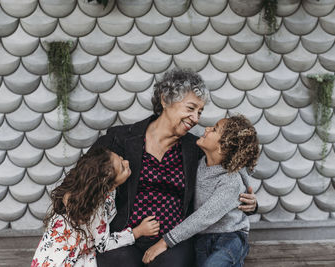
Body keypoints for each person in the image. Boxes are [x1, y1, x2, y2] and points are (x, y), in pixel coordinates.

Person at [89, 68, 258, 267]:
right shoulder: (121, 138)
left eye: (200, 112)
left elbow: (233, 166)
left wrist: (251, 204)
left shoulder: (197, 149)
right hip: (125, 236)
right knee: (117, 262)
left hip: (174, 242)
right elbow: (82, 178)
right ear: (165, 100)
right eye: (191, 108)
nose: (196, 119)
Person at [142, 115, 260, 267]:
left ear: (223, 146)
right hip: (202, 237)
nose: (207, 128)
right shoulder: (198, 165)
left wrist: (165, 242)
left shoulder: (231, 181)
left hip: (230, 236)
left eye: (214, 129)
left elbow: (204, 216)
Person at [31, 147, 160, 267]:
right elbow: (104, 244)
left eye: (121, 158)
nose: (126, 162)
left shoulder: (89, 189)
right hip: (64, 255)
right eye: (122, 167)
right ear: (108, 184)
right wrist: (137, 232)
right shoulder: (95, 207)